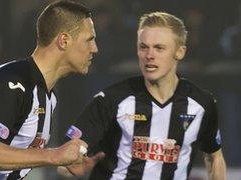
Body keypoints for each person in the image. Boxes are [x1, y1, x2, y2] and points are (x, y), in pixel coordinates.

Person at [59, 12, 226, 180]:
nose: (149, 55)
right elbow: (65, 161)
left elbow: (214, 157)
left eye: (159, 48)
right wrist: (71, 167)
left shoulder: (201, 103)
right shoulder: (111, 100)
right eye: (143, 47)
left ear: (180, 52)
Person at [0, 1, 99, 179]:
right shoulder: (13, 81)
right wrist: (54, 155)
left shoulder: (49, 98)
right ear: (64, 41)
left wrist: (64, 163)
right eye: (89, 40)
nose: (95, 49)